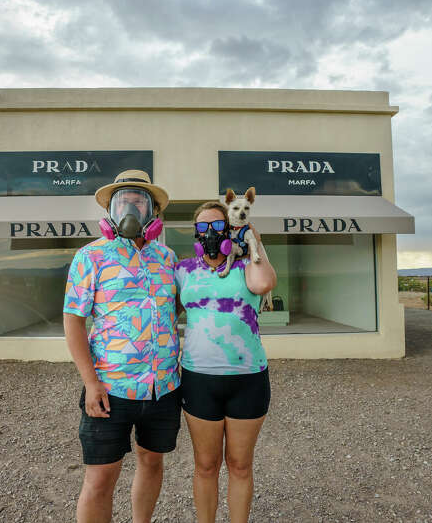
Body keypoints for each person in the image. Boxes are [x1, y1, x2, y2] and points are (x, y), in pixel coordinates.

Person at [63, 169, 181, 523]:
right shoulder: (90, 256)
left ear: (153, 213)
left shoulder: (167, 259)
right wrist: (90, 382)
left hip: (163, 388)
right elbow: (73, 320)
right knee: (100, 478)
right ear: (111, 210)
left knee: (152, 462)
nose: (130, 206)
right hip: (109, 390)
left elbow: (173, 309)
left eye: (139, 200)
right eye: (123, 201)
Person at [174, 201, 277, 523]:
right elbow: (165, 312)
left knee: (240, 465)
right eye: (202, 227)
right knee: (205, 466)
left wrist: (251, 237)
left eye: (217, 226)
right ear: (195, 233)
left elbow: (263, 285)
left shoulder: (247, 266)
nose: (209, 233)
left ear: (230, 229)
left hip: (248, 379)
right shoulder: (183, 270)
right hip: (199, 380)